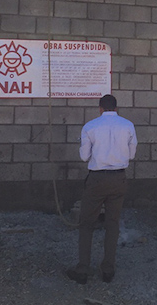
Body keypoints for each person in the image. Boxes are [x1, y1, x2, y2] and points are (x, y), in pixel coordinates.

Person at [66, 94, 138, 285]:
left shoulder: (90, 126)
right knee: (112, 224)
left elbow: (84, 157)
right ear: (116, 109)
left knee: (87, 224)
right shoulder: (128, 125)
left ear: (100, 108)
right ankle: (108, 270)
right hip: (118, 178)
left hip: (97, 179)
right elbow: (131, 154)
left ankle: (82, 269)